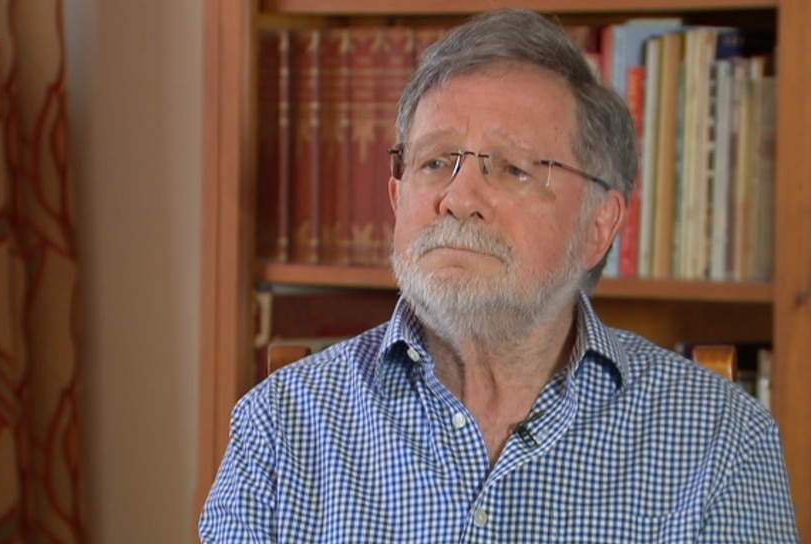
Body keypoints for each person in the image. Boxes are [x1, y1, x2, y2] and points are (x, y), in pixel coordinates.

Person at [200, 8, 798, 542]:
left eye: (512, 169)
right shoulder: (281, 423)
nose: (459, 198)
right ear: (396, 197)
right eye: (435, 162)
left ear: (599, 224)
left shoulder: (721, 438)